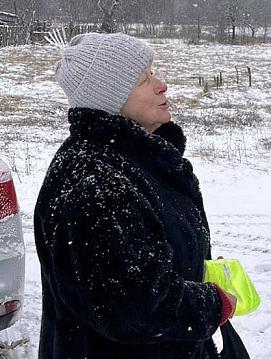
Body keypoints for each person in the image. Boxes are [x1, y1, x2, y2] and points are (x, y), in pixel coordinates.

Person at [34, 32, 235, 359]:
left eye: (152, 73)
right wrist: (211, 304)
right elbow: (135, 304)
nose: (161, 85)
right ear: (110, 100)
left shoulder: (136, 159)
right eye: (144, 80)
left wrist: (196, 267)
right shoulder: (92, 180)